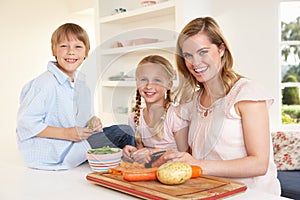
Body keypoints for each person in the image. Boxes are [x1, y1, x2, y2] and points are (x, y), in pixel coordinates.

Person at [166, 17, 281, 195]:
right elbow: (192, 154)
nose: (195, 62)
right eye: (188, 55)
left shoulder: (247, 93)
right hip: (209, 192)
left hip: (252, 195)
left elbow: (259, 164)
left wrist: (200, 165)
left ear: (221, 49)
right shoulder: (195, 100)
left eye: (203, 52)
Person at [16, 23, 134, 171]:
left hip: (78, 143)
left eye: (78, 47)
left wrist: (93, 121)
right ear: (54, 50)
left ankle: (126, 160)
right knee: (121, 133)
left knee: (126, 131)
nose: (71, 52)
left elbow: (85, 117)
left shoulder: (82, 83)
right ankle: (133, 164)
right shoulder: (45, 84)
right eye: (64, 46)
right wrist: (67, 133)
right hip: (57, 151)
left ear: (86, 52)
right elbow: (26, 123)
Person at [122, 55, 189, 164]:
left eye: (157, 80)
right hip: (149, 173)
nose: (149, 86)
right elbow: (142, 158)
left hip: (171, 173)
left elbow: (185, 156)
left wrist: (152, 153)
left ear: (169, 84)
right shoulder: (134, 117)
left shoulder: (176, 115)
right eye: (144, 80)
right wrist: (133, 153)